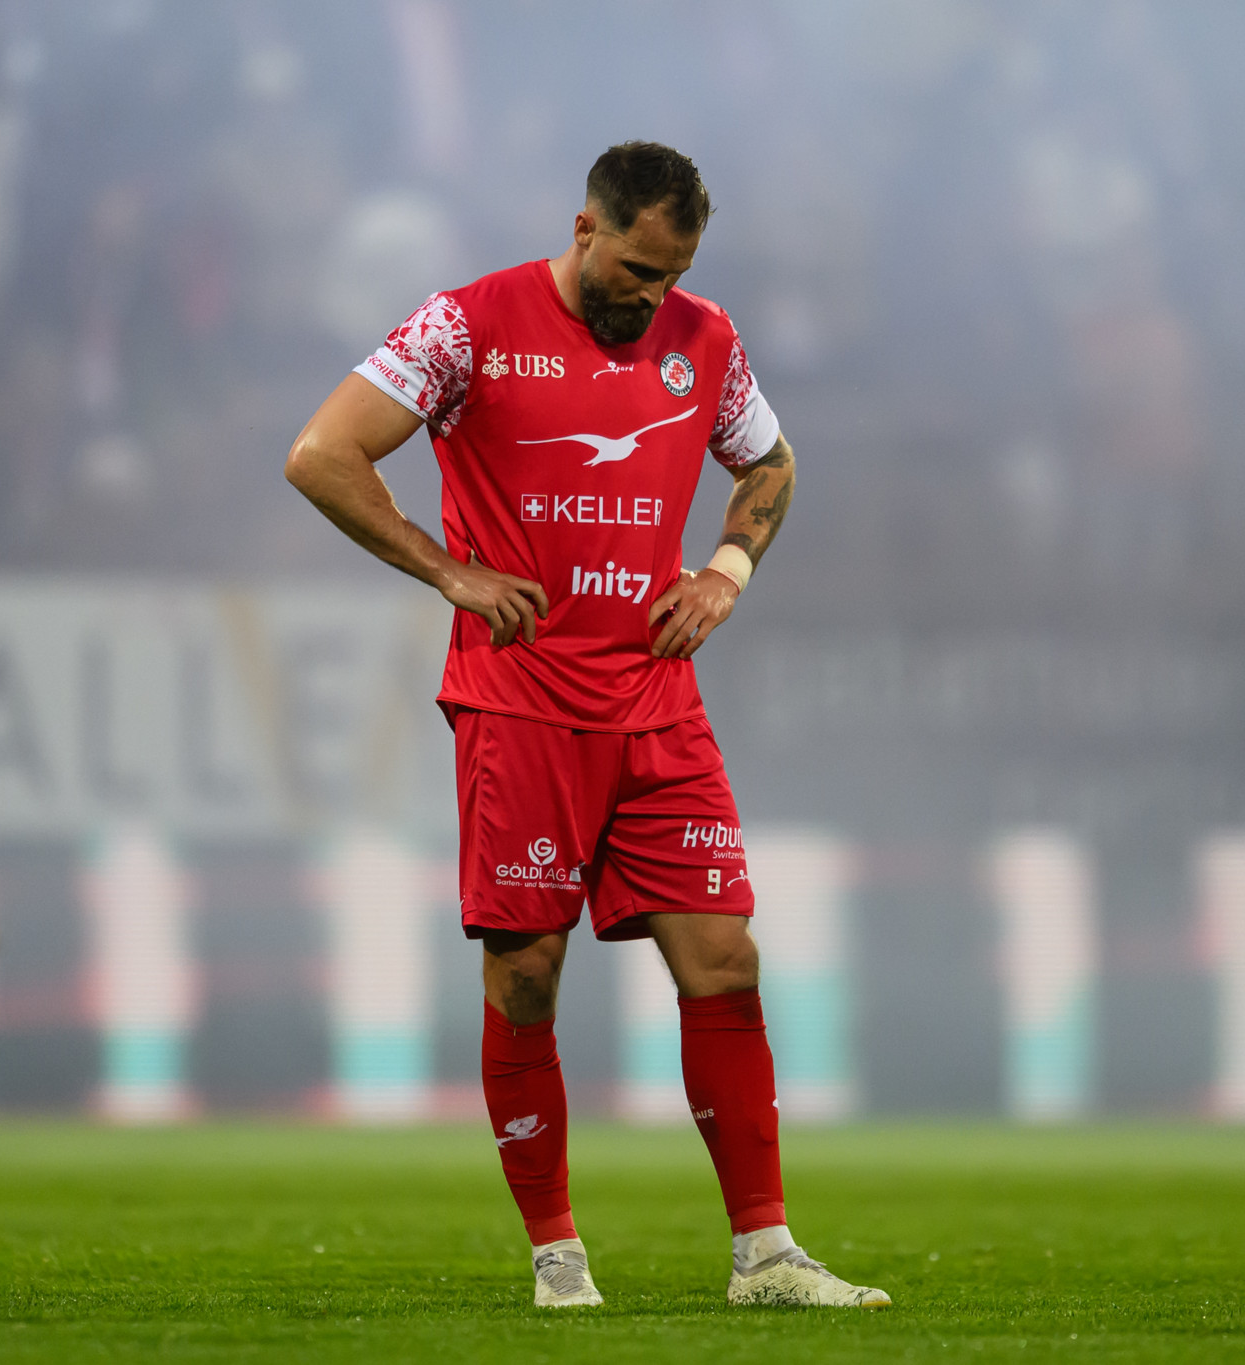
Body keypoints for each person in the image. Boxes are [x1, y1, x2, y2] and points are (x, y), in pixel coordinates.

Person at [285, 141, 890, 1310]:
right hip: (521, 702)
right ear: (583, 229)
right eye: (635, 269)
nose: (651, 297)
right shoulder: (465, 326)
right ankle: (557, 1259)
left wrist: (723, 572)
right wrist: (448, 570)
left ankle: (765, 1256)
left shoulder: (705, 339)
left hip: (656, 702)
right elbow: (321, 454)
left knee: (724, 960)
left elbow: (769, 465)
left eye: (672, 276)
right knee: (526, 976)